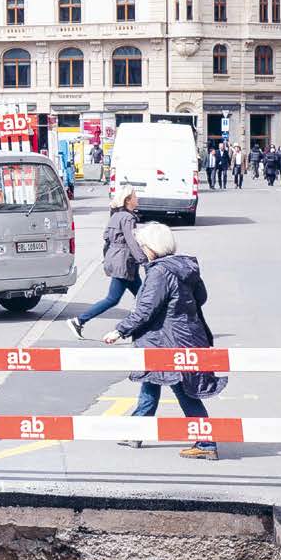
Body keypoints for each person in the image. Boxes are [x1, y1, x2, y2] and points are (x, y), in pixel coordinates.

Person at [104, 220, 227, 461]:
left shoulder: (159, 271)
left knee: (183, 390)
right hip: (185, 335)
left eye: (141, 245)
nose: (140, 249)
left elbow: (145, 309)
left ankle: (205, 442)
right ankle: (135, 431)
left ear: (151, 247)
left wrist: (120, 330)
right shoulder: (184, 267)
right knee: (151, 381)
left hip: (168, 340)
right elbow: (200, 297)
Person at [68, 188, 142, 336]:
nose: (137, 198)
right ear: (128, 200)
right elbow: (131, 241)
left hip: (116, 260)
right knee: (114, 299)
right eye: (135, 196)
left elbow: (107, 237)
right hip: (124, 263)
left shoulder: (115, 216)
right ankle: (79, 320)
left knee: (143, 295)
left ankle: (143, 327)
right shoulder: (128, 218)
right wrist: (144, 259)